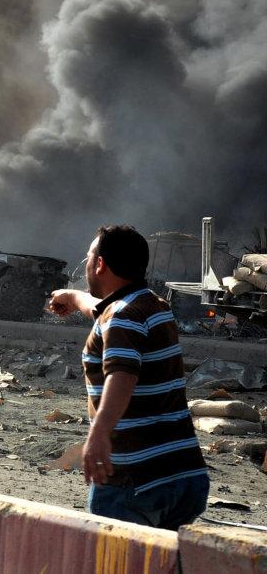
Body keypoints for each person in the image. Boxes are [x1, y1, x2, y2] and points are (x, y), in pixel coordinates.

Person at [47, 225, 208, 529]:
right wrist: (72, 296)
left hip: (134, 482)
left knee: (115, 555)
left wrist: (99, 434)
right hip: (184, 477)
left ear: (100, 264)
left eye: (88, 258)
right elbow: (102, 310)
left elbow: (122, 375)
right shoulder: (152, 305)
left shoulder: (120, 317)